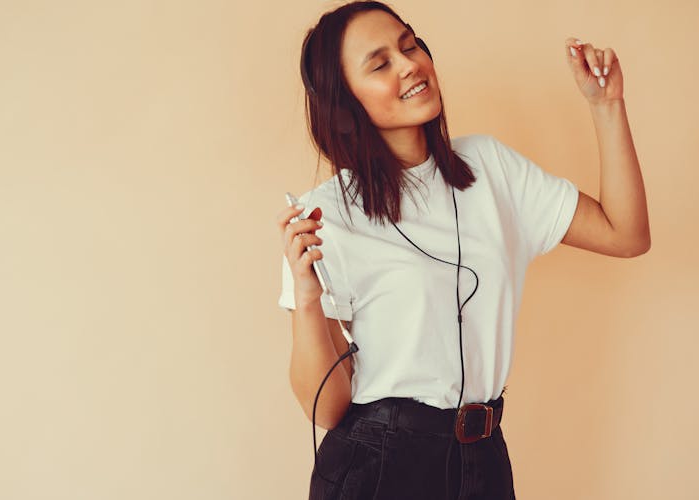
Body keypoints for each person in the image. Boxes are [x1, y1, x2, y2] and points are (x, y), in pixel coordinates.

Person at [274, 2, 650, 499]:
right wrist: (305, 299)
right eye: (380, 63)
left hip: (484, 455)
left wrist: (606, 106)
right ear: (345, 107)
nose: (409, 64)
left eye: (410, 45)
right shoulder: (327, 217)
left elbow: (625, 234)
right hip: (380, 465)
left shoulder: (490, 168)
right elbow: (326, 409)